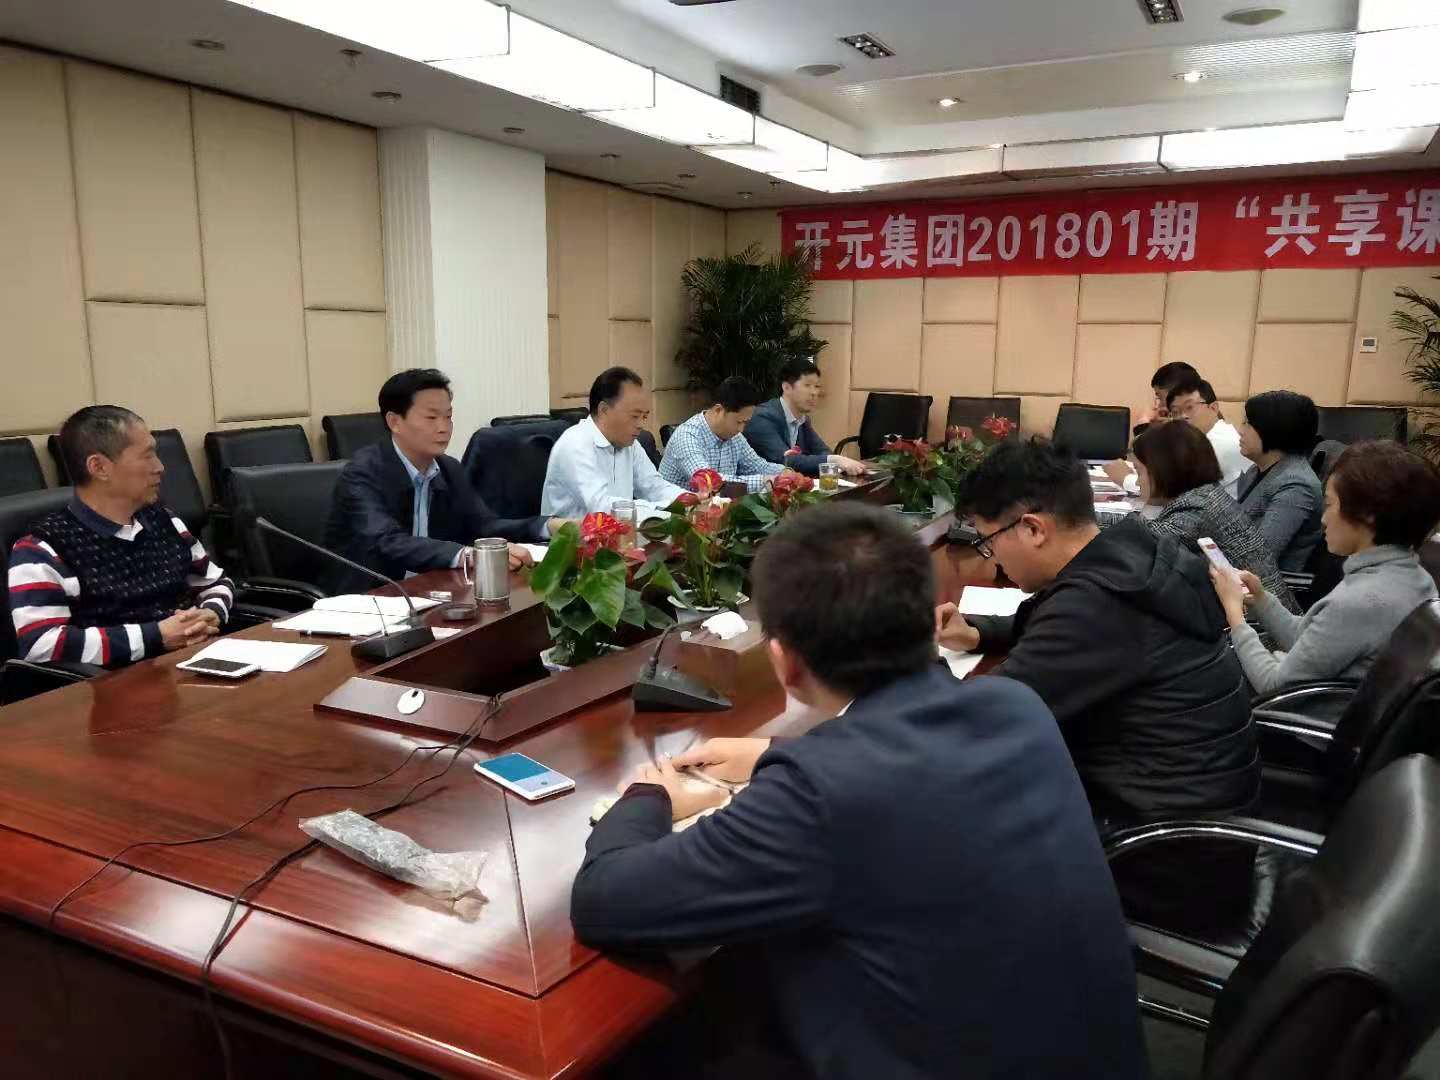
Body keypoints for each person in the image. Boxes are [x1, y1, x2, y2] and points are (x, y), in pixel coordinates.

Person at [571, 502, 1147, 1080]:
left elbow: (605, 901)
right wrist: (774, 754)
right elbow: (903, 770)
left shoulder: (817, 794)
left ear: (784, 662)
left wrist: (647, 797)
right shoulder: (1014, 705)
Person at [937, 438, 1256, 825]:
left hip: (1157, 837)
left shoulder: (1094, 607)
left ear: (1033, 529)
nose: (994, 558)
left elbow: (971, 718)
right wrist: (977, 633)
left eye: (988, 542)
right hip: (1196, 801)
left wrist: (908, 657)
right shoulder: (1136, 548)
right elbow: (1058, 627)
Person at [9, 406, 233, 668]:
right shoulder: (41, 549)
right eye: (147, 455)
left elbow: (216, 582)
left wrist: (210, 613)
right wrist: (156, 636)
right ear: (99, 467)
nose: (160, 467)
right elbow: (40, 645)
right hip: (109, 685)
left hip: (190, 667)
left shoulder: (166, 521)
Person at [1212, 440, 1440, 694]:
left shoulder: (1358, 601)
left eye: (1330, 504)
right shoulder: (1416, 578)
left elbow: (1273, 684)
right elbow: (1312, 643)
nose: (1323, 519)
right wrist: (1262, 600)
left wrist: (1235, 617)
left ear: (1368, 514)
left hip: (1314, 713)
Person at [324, 369, 550, 593]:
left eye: (448, 417)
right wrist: (468, 555)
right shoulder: (362, 473)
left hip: (431, 590)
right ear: (395, 422)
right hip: (369, 597)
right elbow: (386, 541)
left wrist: (546, 526)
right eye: (431, 418)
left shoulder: (448, 468)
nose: (443, 428)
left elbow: (483, 526)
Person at [1132, 419, 1298, 613]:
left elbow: (1141, 537)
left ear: (1161, 471)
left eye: (1139, 472)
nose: (1137, 482)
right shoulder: (1203, 494)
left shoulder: (1196, 507)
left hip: (1261, 624)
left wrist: (1095, 520)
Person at [541, 366, 684, 518]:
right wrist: (661, 510)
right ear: (604, 410)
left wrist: (691, 500)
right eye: (634, 416)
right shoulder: (575, 444)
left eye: (644, 417)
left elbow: (655, 487)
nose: (641, 424)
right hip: (576, 532)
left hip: (622, 530)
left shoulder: (628, 443)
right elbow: (603, 508)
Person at [1234, 390, 1324, 572]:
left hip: (1270, 584)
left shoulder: (1296, 485)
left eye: (1248, 423)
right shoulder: (1256, 470)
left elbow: (1258, 557)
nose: (1240, 430)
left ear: (1273, 430)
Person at [658, 376, 786, 492]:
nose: (741, 429)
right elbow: (709, 482)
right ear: (718, 410)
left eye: (745, 423)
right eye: (739, 422)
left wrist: (786, 473)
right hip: (677, 508)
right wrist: (764, 481)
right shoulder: (687, 437)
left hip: (718, 506)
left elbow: (757, 466)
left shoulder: (735, 436)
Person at [744, 358, 866, 478]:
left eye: (817, 386)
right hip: (758, 487)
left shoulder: (803, 419)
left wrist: (837, 463)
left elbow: (822, 451)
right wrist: (834, 460)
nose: (814, 393)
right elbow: (785, 461)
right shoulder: (763, 417)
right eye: (807, 385)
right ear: (786, 387)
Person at [1103, 360, 1200, 490]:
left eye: (1160, 397)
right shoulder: (1185, 425)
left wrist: (1126, 479)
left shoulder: (1200, 433)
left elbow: (1168, 489)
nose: (1159, 405)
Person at [1165, 374, 1248, 498]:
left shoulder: (1220, 442)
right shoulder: (1207, 437)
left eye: (1189, 407)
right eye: (1176, 412)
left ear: (1214, 408)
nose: (1182, 416)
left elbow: (1173, 490)